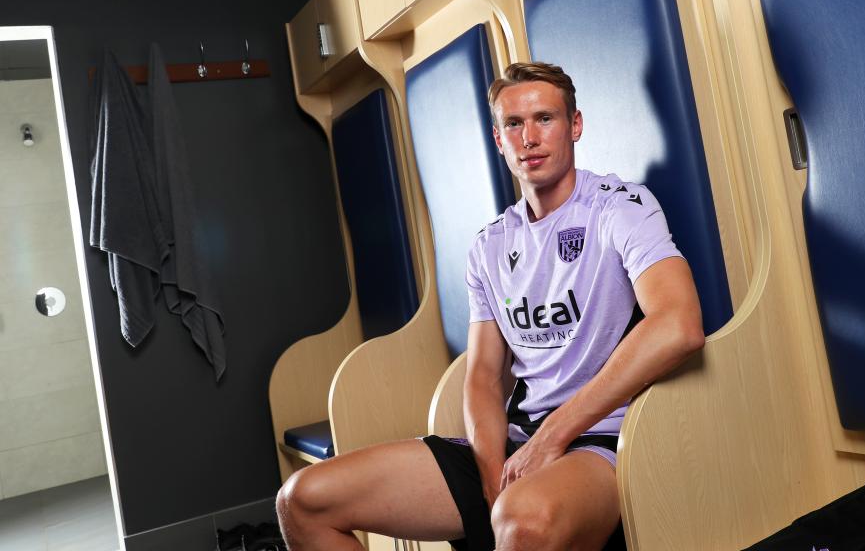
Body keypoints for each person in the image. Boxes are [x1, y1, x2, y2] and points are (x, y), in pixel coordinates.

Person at [276, 62, 705, 551]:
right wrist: (489, 470)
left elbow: (679, 326)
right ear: (499, 139)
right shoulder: (491, 245)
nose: (530, 138)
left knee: (522, 523)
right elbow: (482, 374)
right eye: (514, 125)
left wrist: (551, 440)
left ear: (576, 125)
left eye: (545, 118)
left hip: (603, 439)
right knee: (303, 500)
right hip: (518, 438)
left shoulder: (620, 208)